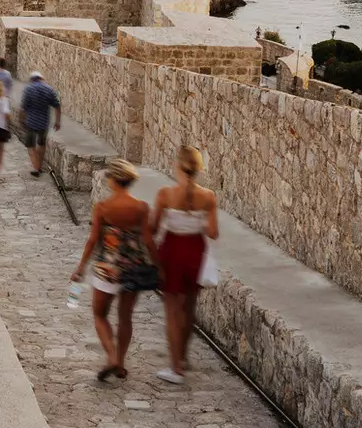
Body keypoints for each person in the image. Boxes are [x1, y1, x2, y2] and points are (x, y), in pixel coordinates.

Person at [71, 159, 152, 380]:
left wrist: (81, 267)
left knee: (99, 314)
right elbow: (147, 240)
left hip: (108, 266)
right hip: (132, 266)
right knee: (125, 317)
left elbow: (93, 240)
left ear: (114, 180)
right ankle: (121, 363)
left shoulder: (103, 208)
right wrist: (157, 266)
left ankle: (112, 357)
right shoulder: (141, 208)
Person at [152, 145, 219, 385]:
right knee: (189, 308)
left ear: (177, 167)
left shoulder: (165, 194)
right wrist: (197, 221)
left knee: (172, 311)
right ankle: (183, 357)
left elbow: (153, 228)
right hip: (195, 252)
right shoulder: (208, 196)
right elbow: (213, 232)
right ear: (198, 169)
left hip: (172, 251)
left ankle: (175, 368)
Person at [16, 71, 61, 177]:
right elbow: (57, 106)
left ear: (32, 79)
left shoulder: (28, 89)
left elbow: (23, 108)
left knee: (30, 145)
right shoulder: (49, 89)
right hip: (43, 123)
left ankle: (36, 168)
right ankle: (39, 166)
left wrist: (21, 120)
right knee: (41, 144)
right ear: (41, 79)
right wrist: (57, 122)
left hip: (30, 122)